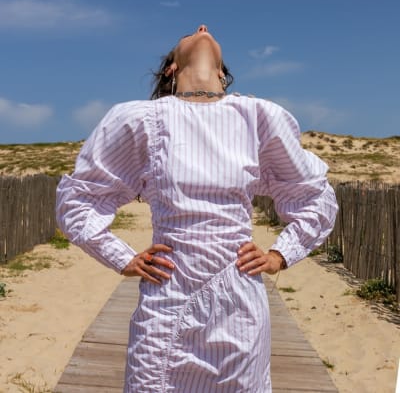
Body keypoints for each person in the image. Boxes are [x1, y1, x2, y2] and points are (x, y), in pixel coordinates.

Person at [56, 24, 338, 392]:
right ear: (172, 68)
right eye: (189, 33)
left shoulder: (258, 117)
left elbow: (314, 195)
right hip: (167, 299)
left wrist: (279, 255)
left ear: (222, 73)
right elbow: (79, 198)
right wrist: (120, 256)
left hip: (238, 304)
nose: (203, 28)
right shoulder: (141, 120)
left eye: (204, 30)